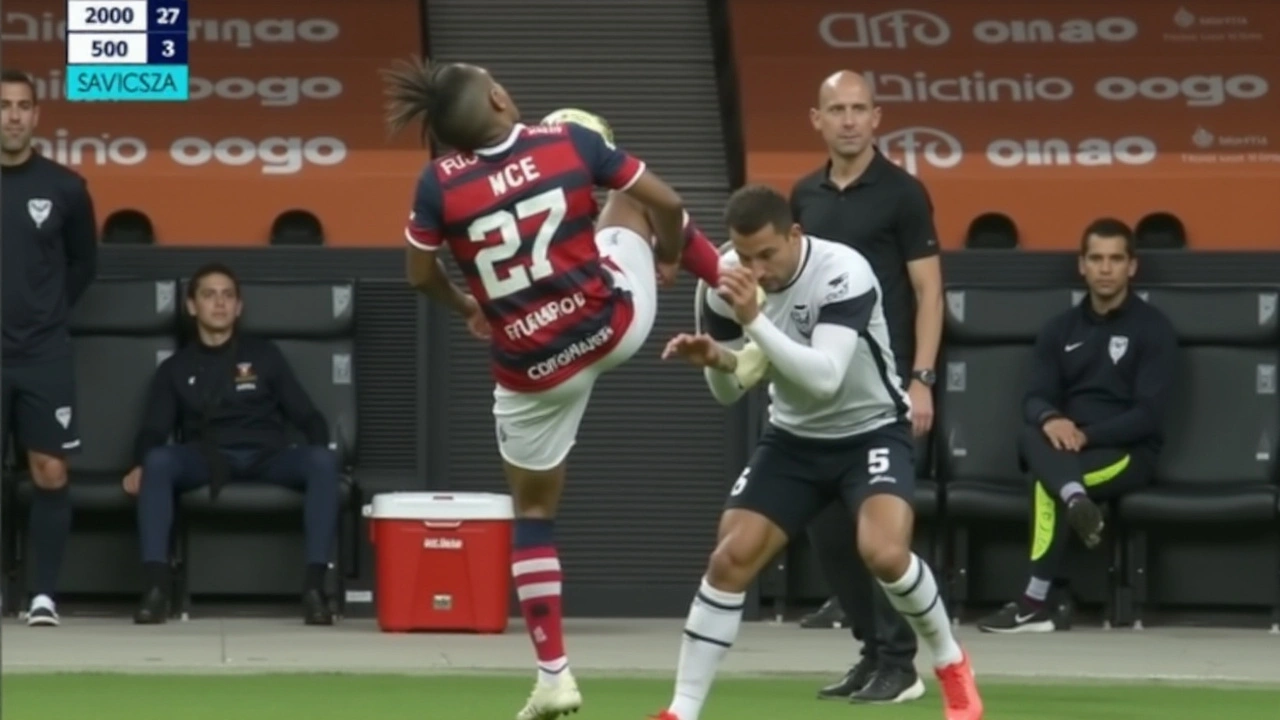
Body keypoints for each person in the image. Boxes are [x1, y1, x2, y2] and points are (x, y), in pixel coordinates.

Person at [379, 57, 723, 720]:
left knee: (534, 514)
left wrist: (469, 309)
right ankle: (741, 304)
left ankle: (554, 676)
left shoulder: (436, 185)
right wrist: (674, 253)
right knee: (631, 197)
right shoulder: (566, 141)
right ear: (502, 100)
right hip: (612, 328)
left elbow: (419, 275)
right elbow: (670, 204)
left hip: (531, 367)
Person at [653, 184, 982, 720]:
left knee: (885, 554)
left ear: (795, 236)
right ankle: (682, 710)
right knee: (729, 559)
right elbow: (732, 391)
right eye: (744, 256)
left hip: (871, 429)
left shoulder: (842, 270)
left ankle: (950, 662)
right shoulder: (723, 285)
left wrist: (753, 321)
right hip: (794, 439)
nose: (756, 270)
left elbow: (825, 378)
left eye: (768, 255)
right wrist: (715, 360)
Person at [789, 70, 943, 702]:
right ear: (817, 119)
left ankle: (902, 665)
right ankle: (870, 652)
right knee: (827, 533)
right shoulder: (802, 196)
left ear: (877, 117)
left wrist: (923, 378)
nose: (849, 120)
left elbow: (930, 291)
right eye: (837, 109)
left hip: (888, 392)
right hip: (821, 393)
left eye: (859, 108)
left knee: (879, 533)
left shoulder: (904, 194)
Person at [977, 219, 1176, 633]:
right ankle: (1075, 502)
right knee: (1032, 432)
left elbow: (1148, 416)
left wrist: (1085, 435)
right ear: (1082, 266)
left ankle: (1033, 603)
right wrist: (1053, 420)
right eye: (1097, 259)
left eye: (1115, 259)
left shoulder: (1153, 328)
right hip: (1066, 447)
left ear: (1131, 267)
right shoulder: (1059, 329)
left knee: (1044, 479)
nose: (1105, 269)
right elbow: (1034, 397)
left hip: (1126, 453)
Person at [123, 264, 342, 627]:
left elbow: (308, 416)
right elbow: (153, 429)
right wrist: (138, 464)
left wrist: (324, 453)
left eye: (228, 295)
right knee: (157, 461)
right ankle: (157, 590)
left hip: (268, 456)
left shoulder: (265, 355)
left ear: (239, 307)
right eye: (209, 295)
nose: (219, 303)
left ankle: (315, 590)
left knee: (322, 462)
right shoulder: (175, 368)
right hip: (206, 457)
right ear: (192, 306)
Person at [1, 68, 99, 626]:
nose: (12, 115)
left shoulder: (65, 187)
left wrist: (50, 309)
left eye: (22, 106)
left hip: (43, 354)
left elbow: (85, 261)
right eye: (3, 106)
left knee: (49, 472)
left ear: (36, 116)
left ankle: (42, 596)